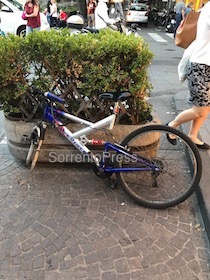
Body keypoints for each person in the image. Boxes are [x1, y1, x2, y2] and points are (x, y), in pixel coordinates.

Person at [168, 1, 210, 150]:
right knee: (201, 109)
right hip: (201, 65)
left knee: (206, 106)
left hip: (205, 65)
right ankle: (172, 126)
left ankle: (193, 135)